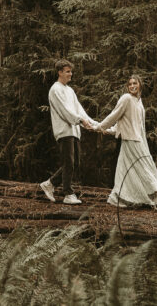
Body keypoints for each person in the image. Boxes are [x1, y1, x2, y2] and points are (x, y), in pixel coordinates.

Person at [96, 75, 157, 207]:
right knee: (144, 166)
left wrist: (110, 130)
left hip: (138, 139)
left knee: (125, 169)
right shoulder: (126, 98)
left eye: (135, 83)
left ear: (140, 85)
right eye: (130, 84)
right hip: (132, 140)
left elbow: (127, 122)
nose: (132, 86)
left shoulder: (138, 101)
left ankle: (116, 197)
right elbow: (114, 116)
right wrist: (100, 127)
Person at [39, 59, 98, 205]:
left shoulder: (70, 90)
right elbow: (65, 112)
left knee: (74, 163)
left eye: (71, 71)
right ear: (59, 72)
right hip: (64, 131)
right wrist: (80, 121)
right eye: (67, 71)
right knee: (69, 162)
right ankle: (68, 193)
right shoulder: (55, 89)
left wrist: (92, 123)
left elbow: (79, 110)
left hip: (74, 130)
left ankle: (49, 184)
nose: (70, 74)